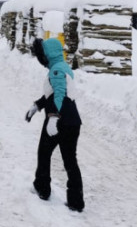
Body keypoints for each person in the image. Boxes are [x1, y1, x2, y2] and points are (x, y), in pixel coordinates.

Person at [24, 37, 84, 213]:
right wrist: (37, 105)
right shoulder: (62, 67)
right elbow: (51, 94)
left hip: (59, 121)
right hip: (73, 122)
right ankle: (76, 201)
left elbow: (59, 95)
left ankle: (42, 188)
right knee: (70, 161)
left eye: (42, 53)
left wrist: (53, 117)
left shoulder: (56, 71)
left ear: (49, 54)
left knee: (44, 152)